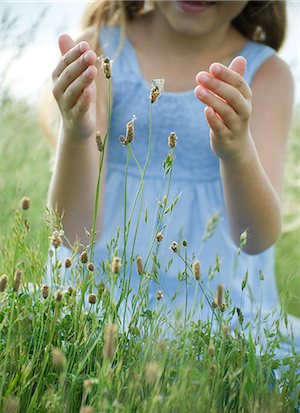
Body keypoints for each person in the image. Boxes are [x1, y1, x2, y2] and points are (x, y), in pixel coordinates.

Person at [48, 0, 299, 352]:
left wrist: (237, 150)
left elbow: (255, 238)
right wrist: (76, 131)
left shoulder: (266, 74)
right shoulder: (103, 50)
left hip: (219, 328)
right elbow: (72, 234)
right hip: (99, 310)